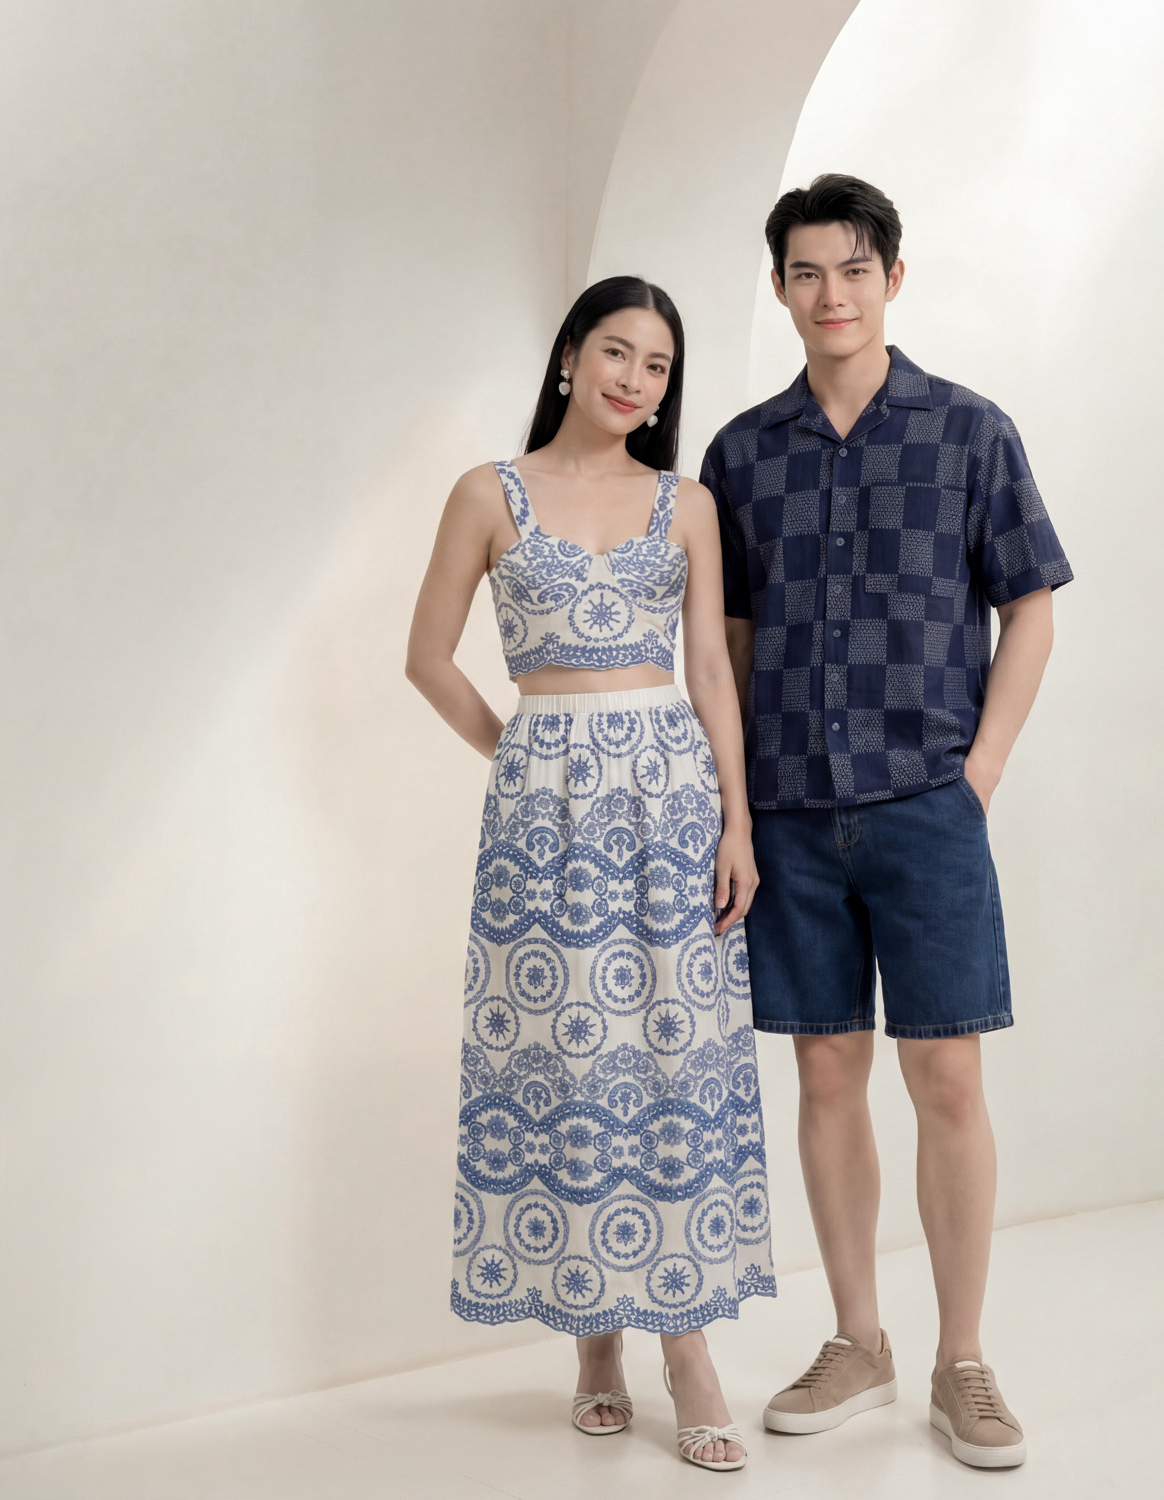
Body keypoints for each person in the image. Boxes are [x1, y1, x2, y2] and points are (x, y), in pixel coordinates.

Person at [700, 175, 1072, 1470]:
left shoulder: (970, 432)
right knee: (825, 1074)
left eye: (854, 269)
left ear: (892, 279)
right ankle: (858, 1338)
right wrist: (736, 806)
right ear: (779, 287)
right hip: (792, 815)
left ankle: (963, 1359)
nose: (832, 295)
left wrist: (980, 772)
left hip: (928, 808)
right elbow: (727, 645)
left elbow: (1030, 604)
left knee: (948, 1077)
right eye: (806, 273)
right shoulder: (741, 455)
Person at [406, 276, 774, 1473]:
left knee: (672, 1060)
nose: (634, 380)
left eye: (657, 366)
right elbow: (426, 657)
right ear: (570, 355)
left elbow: (710, 671)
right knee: (570, 1061)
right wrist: (518, 750)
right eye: (617, 352)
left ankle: (689, 1349)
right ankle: (594, 1337)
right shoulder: (488, 493)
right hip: (543, 815)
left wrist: (737, 821)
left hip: (671, 796)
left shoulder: (687, 502)